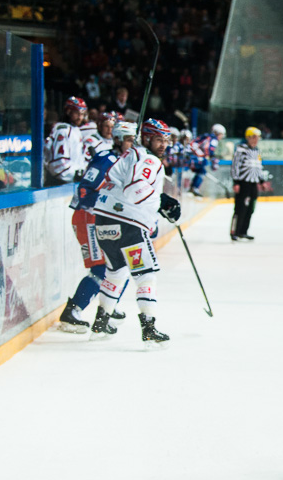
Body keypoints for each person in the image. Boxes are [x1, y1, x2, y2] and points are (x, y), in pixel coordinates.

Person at [91, 119, 181, 347]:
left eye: (165, 140)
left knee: (116, 272)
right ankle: (149, 328)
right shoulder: (148, 158)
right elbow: (134, 190)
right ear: (147, 138)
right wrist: (157, 201)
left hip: (104, 222)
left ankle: (100, 323)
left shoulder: (131, 154)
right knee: (145, 275)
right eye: (158, 139)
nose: (163, 145)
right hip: (129, 225)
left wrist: (157, 202)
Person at [58, 121, 138, 333]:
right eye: (130, 139)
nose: (134, 144)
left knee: (121, 265)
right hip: (88, 218)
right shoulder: (106, 159)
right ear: (119, 140)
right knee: (101, 268)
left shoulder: (128, 163)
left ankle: (108, 307)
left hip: (104, 221)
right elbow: (85, 192)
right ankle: (72, 311)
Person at [230, 126, 265, 241]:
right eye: (254, 137)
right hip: (243, 183)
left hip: (253, 184)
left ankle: (243, 231)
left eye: (258, 137)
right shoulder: (241, 149)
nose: (257, 139)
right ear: (249, 137)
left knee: (250, 208)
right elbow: (235, 166)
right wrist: (236, 182)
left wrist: (262, 181)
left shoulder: (256, 151)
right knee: (240, 208)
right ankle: (235, 231)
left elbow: (258, 167)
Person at [44, 97, 88, 186]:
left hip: (72, 182)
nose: (80, 117)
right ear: (68, 112)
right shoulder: (62, 130)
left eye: (82, 114)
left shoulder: (75, 130)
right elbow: (58, 164)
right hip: (59, 184)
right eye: (77, 113)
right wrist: (76, 175)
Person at [188, 123, 225, 196]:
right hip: (194, 156)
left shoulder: (207, 136)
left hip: (192, 154)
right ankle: (194, 188)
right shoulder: (214, 139)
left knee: (201, 171)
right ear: (218, 133)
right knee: (202, 171)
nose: (222, 136)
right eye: (221, 134)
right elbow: (207, 148)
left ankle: (193, 187)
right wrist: (211, 156)